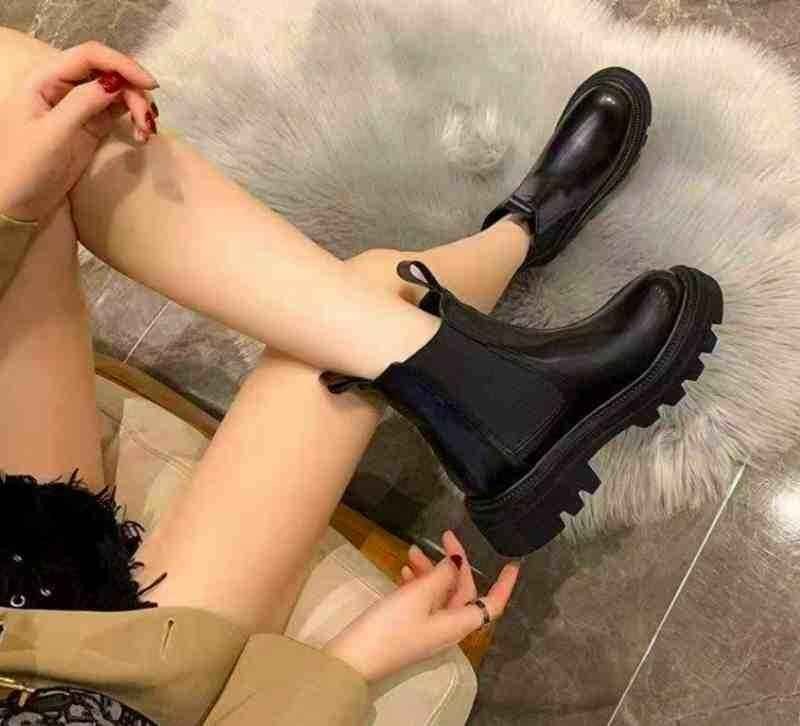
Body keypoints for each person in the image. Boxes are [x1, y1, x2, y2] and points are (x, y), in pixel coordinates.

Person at [0, 27, 722, 726]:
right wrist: (346, 668)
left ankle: (501, 317)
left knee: (23, 93)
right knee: (377, 296)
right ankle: (517, 252)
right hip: (90, 682)